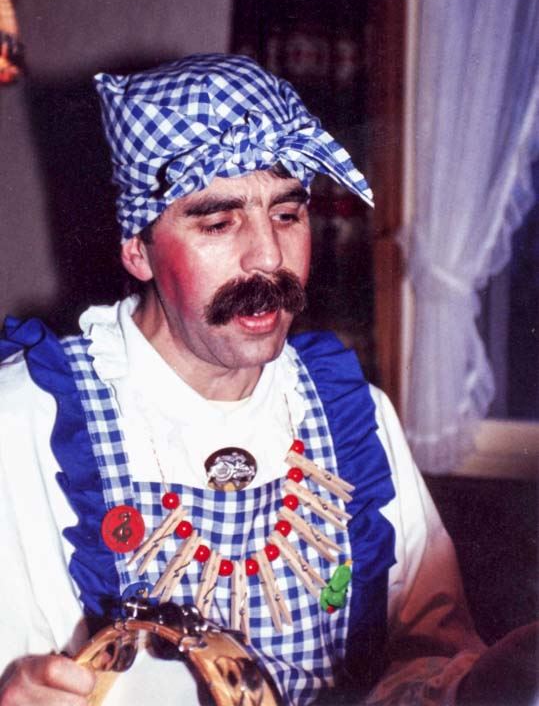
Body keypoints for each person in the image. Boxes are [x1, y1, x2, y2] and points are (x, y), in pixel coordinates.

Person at [0, 54, 535, 706]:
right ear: (137, 250)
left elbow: (427, 658)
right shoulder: (27, 422)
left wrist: (491, 678)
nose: (268, 256)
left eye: (286, 215)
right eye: (218, 222)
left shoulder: (351, 417)